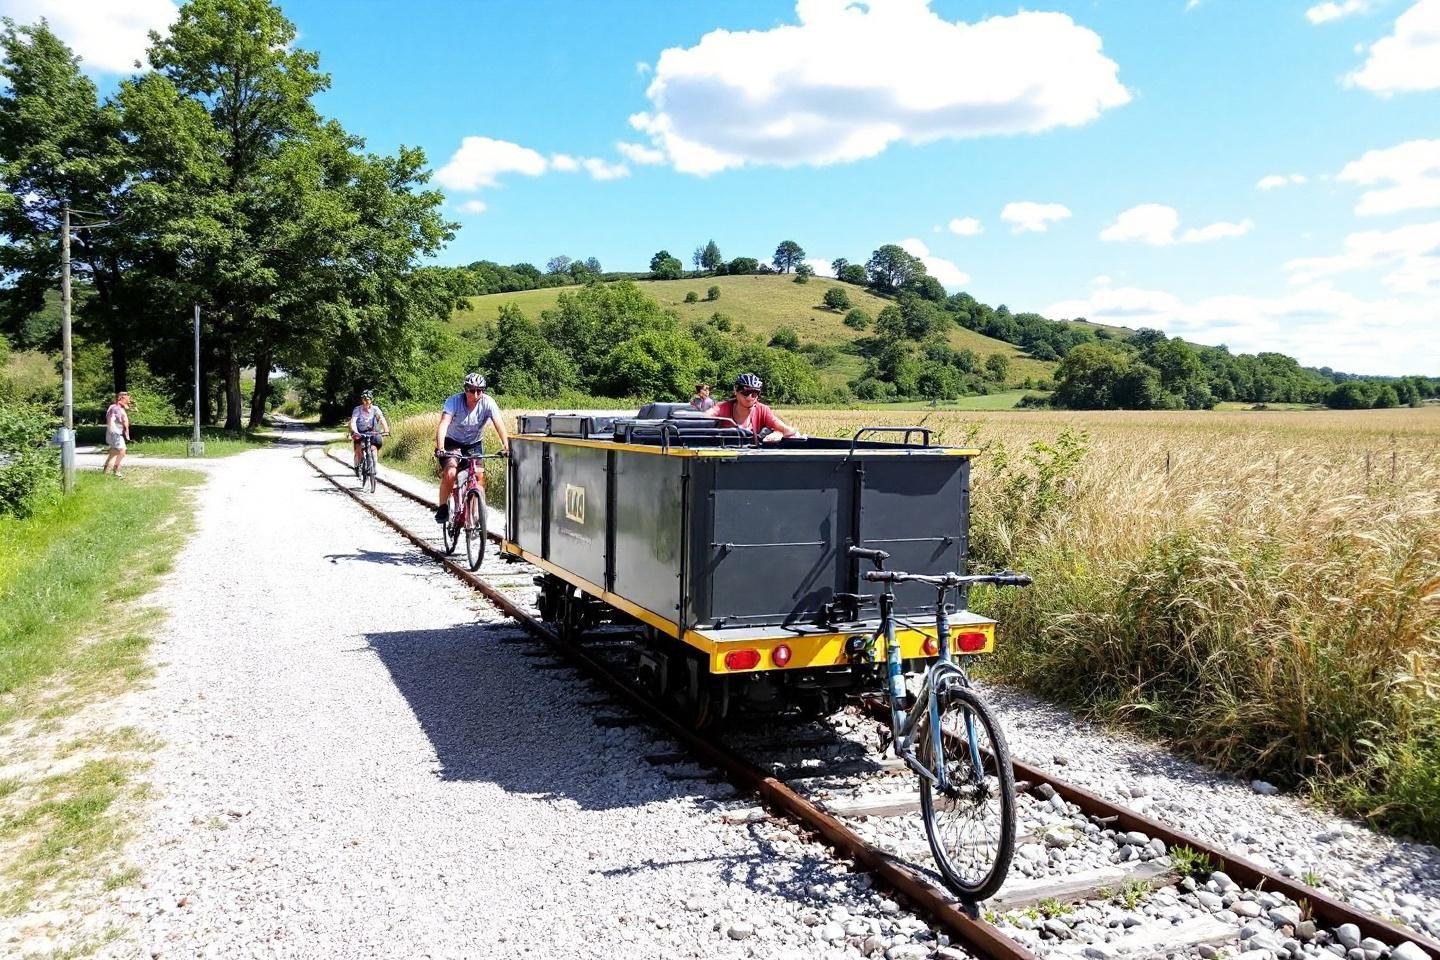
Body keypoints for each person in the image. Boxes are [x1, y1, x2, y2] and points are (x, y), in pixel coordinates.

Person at [433, 373, 509, 524]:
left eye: (480, 390)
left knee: (479, 476)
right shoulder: (454, 401)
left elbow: (499, 424)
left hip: (474, 443)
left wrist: (506, 446)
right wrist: (440, 447)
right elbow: (443, 424)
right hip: (452, 442)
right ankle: (442, 507)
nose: (475, 394)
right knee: (451, 472)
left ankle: (476, 512)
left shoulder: (488, 403)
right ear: (465, 389)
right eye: (472, 390)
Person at [707, 373, 804, 442]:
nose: (750, 397)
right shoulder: (722, 407)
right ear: (736, 391)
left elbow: (790, 430)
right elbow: (704, 417)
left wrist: (779, 433)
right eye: (745, 393)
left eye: (754, 393)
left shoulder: (763, 410)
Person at [348, 389, 391, 476]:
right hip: (360, 432)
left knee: (374, 449)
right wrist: (355, 431)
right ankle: (358, 464)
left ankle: (373, 467)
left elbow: (382, 419)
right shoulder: (357, 409)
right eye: (364, 399)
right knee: (358, 448)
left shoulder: (376, 409)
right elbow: (353, 421)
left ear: (371, 400)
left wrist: (386, 430)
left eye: (367, 399)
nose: (366, 401)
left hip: (372, 433)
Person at [102, 391, 132, 477]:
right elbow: (112, 419)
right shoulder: (116, 408)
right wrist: (114, 431)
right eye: (127, 399)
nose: (128, 401)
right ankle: (116, 471)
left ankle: (107, 472)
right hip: (115, 433)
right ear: (121, 399)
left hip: (115, 432)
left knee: (115, 452)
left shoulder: (115, 407)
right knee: (121, 451)